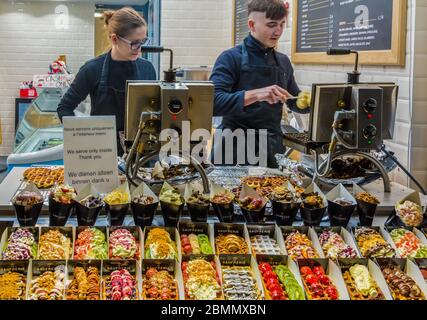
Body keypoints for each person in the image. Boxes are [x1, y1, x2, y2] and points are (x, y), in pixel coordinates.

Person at [210, 0, 309, 168]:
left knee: (273, 193)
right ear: (251, 24)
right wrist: (256, 94)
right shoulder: (230, 58)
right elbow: (213, 103)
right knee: (228, 194)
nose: (278, 31)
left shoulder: (283, 62)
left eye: (281, 24)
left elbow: (293, 101)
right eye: (271, 25)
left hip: (271, 144)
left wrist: (312, 101)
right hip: (235, 143)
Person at [57, 7, 156, 155]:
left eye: (143, 41)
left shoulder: (147, 68)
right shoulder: (91, 69)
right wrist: (81, 137)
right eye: (135, 43)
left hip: (140, 152)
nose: (139, 48)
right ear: (114, 39)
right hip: (101, 152)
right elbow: (64, 108)